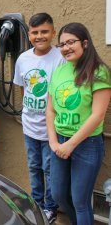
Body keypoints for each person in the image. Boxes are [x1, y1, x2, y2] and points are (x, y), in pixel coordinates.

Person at [46, 22, 111, 225]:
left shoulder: (99, 72)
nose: (65, 48)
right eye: (62, 44)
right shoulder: (59, 72)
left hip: (86, 144)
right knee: (58, 195)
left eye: (70, 42)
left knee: (80, 201)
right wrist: (53, 142)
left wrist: (70, 145)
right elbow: (50, 109)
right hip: (60, 143)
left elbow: (98, 115)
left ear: (85, 43)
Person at [13, 13, 65, 224]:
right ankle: (36, 204)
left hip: (52, 128)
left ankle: (50, 208)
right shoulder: (23, 59)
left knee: (49, 169)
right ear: (29, 34)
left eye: (44, 31)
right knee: (34, 166)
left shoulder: (60, 58)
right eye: (35, 32)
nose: (39, 36)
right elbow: (24, 90)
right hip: (30, 126)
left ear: (53, 32)